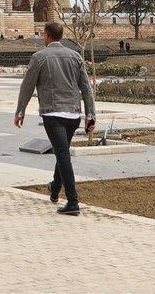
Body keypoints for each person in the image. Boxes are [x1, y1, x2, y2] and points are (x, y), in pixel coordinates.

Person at [15, 21, 96, 216]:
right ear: (62, 35)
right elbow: (86, 88)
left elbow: (27, 86)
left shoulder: (39, 57)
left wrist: (20, 111)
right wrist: (90, 115)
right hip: (73, 115)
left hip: (53, 114)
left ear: (46, 35)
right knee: (63, 152)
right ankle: (54, 187)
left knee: (62, 155)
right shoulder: (75, 56)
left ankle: (73, 202)